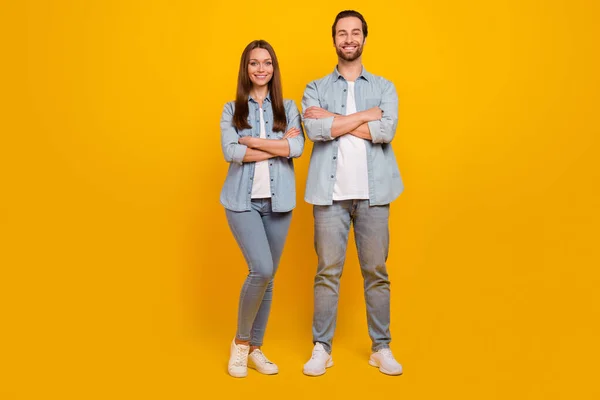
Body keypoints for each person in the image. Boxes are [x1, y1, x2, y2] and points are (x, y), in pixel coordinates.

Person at [301, 10, 404, 376]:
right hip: (329, 197)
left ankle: (381, 347)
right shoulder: (315, 88)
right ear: (334, 40)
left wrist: (334, 121)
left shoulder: (384, 87)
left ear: (364, 38)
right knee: (327, 272)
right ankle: (322, 347)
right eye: (342, 33)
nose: (349, 38)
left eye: (355, 32)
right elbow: (314, 131)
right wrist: (366, 116)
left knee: (376, 271)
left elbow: (386, 132)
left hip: (374, 196)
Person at [220, 39, 305, 378]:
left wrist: (252, 141)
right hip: (241, 202)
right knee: (261, 269)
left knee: (269, 277)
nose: (260, 69)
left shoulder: (288, 107)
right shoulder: (231, 110)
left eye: (266, 62)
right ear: (246, 68)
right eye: (254, 63)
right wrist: (278, 146)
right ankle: (240, 345)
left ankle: (257, 348)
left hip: (279, 203)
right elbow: (231, 152)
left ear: (274, 67)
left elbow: (297, 147)